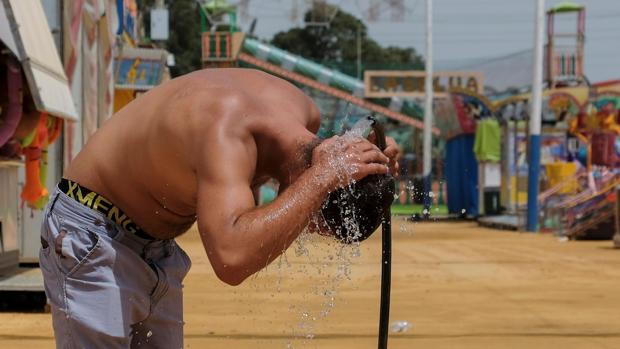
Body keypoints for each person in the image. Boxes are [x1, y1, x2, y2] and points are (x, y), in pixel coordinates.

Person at [39, 68, 401, 348]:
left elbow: (300, 179)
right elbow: (231, 257)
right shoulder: (228, 129)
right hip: (93, 231)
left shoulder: (302, 117)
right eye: (310, 219)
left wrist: (367, 162)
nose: (301, 225)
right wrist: (321, 180)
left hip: (153, 247)